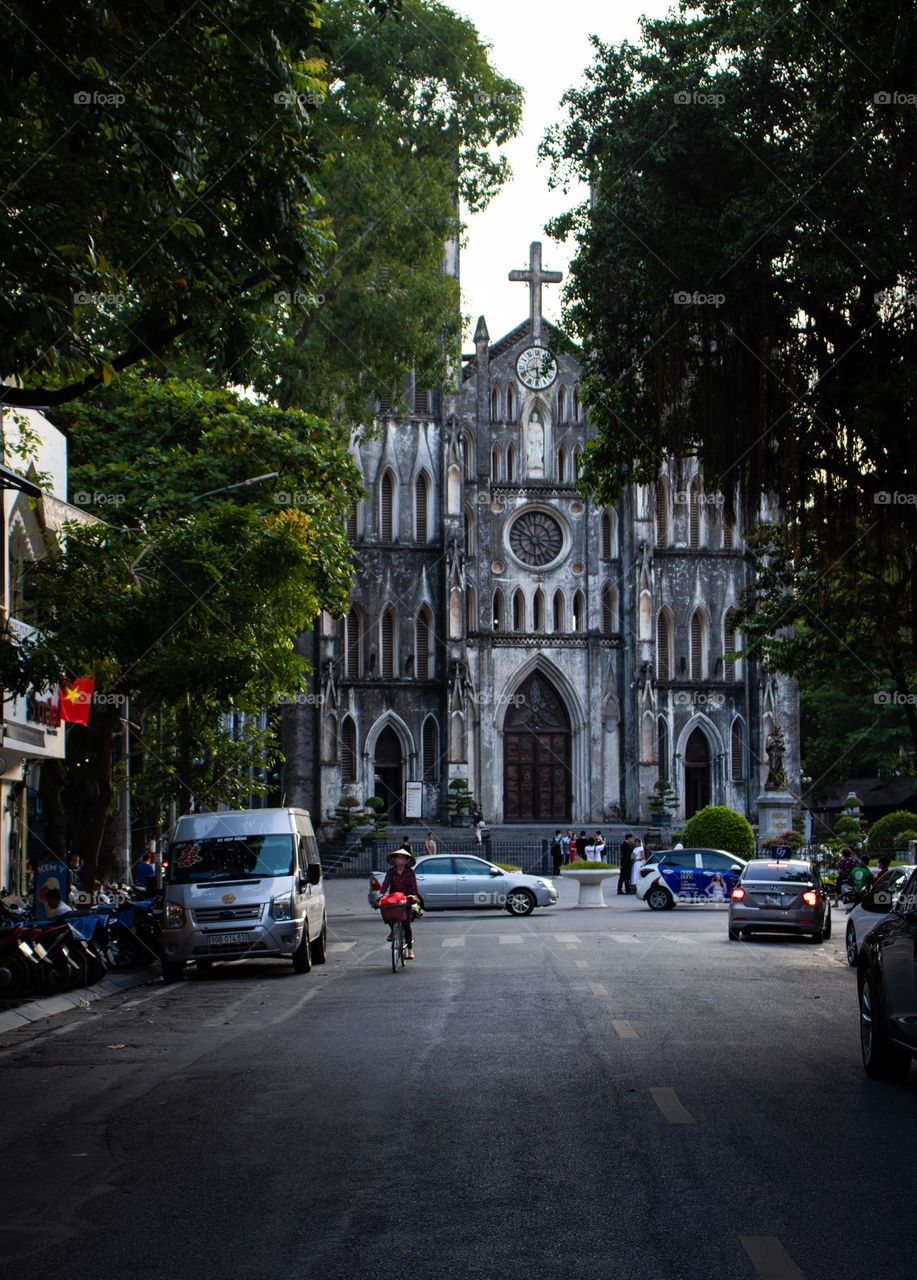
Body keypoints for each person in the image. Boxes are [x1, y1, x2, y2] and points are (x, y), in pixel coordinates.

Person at [380, 847, 419, 960]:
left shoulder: (410, 872)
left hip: (406, 900)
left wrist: (414, 896)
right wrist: (381, 894)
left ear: (406, 860)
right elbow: (385, 884)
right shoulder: (391, 872)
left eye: (402, 858)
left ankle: (410, 950)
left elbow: (413, 886)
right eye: (398, 858)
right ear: (394, 860)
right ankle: (393, 930)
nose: (400, 860)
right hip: (394, 900)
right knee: (385, 911)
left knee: (406, 924)